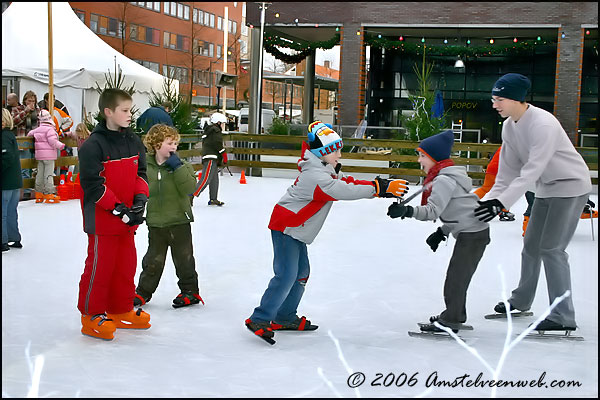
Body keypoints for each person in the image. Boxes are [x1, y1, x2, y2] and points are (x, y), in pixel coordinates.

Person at [245, 121, 409, 344]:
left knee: (301, 273)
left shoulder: (324, 169)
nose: (340, 155)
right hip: (287, 227)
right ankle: (260, 318)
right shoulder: (316, 176)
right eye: (335, 151)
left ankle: (284, 316)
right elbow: (342, 190)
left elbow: (348, 181)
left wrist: (380, 187)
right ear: (322, 153)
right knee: (286, 275)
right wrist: (379, 188)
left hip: (298, 230)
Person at [475, 73, 592, 332]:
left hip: (571, 186)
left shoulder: (543, 124)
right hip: (547, 189)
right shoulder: (509, 126)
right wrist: (491, 201)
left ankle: (563, 316)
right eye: (493, 99)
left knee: (552, 249)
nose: (495, 104)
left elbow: (531, 170)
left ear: (517, 99)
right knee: (531, 245)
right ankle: (521, 300)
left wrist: (502, 203)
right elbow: (506, 173)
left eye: (500, 99)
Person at [387, 130, 490, 333]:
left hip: (473, 234)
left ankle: (451, 319)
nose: (419, 160)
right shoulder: (445, 176)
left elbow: (432, 211)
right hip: (472, 232)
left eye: (423, 156)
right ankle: (455, 314)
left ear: (434, 157)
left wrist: (407, 211)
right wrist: (442, 231)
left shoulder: (443, 180)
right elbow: (460, 211)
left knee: (456, 278)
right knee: (458, 277)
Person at [77, 88, 150, 341]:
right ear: (108, 112)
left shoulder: (133, 141)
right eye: (125, 110)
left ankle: (120, 309)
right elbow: (92, 185)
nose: (130, 115)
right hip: (104, 220)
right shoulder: (92, 146)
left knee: (125, 266)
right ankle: (91, 314)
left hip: (128, 220)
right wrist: (118, 209)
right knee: (100, 267)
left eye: (130, 110)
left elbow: (141, 173)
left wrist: (140, 201)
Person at [133, 124, 204, 309]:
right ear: (156, 144)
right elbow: (137, 189)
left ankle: (190, 292)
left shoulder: (183, 166)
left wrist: (178, 168)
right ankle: (142, 293)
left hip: (179, 221)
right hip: (156, 222)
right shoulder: (145, 167)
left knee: (184, 259)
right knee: (152, 260)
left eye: (175, 144)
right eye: (169, 143)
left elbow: (190, 188)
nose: (174, 147)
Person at [26, 109, 70, 203]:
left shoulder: (37, 130)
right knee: (48, 174)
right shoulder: (50, 130)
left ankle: (39, 193)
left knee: (40, 174)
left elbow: (29, 134)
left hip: (40, 156)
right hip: (49, 156)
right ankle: (49, 193)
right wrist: (63, 146)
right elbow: (53, 141)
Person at [193, 112, 227, 206]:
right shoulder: (215, 131)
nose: (223, 125)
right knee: (206, 178)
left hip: (212, 157)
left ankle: (213, 199)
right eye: (222, 123)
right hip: (211, 157)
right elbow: (217, 144)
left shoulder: (211, 130)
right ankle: (191, 195)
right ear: (218, 122)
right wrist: (223, 153)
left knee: (214, 179)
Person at [473, 145, 515, 221]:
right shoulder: (515, 147)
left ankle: (469, 201)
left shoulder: (503, 146)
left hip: (491, 169)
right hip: (502, 171)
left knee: (485, 189)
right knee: (506, 191)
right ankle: (504, 211)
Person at [11, 91, 39, 200]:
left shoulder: (38, 110)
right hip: (23, 142)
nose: (31, 103)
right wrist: (26, 111)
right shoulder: (18, 109)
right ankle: (25, 191)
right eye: (29, 101)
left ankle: (33, 189)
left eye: (33, 101)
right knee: (24, 168)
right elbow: (14, 122)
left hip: (35, 142)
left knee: (35, 167)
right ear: (24, 101)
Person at [2, 109, 23, 251]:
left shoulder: (4, 136)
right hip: (14, 181)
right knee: (10, 211)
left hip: (6, 181)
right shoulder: (9, 135)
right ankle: (13, 237)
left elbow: (6, 157)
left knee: (4, 212)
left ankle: (3, 240)